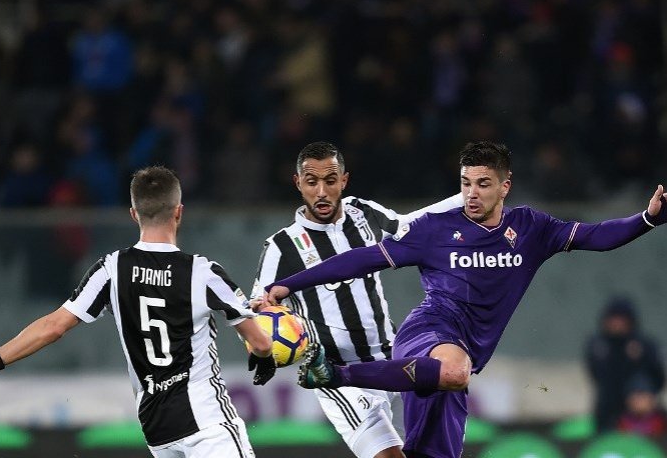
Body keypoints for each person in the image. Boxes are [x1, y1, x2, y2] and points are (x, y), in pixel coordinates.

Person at [260, 141, 667, 458]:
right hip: (428, 333)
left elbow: (598, 236)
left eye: (483, 184)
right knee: (454, 370)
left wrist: (647, 219)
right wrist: (289, 284)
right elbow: (363, 259)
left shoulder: (532, 228)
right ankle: (333, 374)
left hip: (459, 358)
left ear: (505, 186)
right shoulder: (435, 230)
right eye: (465, 183)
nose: (471, 194)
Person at [0, 166, 275, 458]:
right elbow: (260, 343)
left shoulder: (111, 269)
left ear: (134, 213)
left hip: (158, 429)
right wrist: (264, 353)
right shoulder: (204, 273)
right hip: (206, 422)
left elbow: (54, 326)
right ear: (179, 212)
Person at [249, 141, 463, 458]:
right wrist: (262, 340)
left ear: (344, 181)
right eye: (312, 182)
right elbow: (259, 308)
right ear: (298, 183)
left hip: (395, 361)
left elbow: (414, 225)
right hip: (339, 377)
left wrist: (465, 198)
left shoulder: (363, 213)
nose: (321, 191)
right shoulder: (281, 246)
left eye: (330, 181)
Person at [585, 297, 665, 432]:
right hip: (608, 409)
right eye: (613, 319)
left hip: (641, 414)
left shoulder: (644, 345)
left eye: (621, 319)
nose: (617, 324)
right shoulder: (598, 346)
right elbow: (596, 374)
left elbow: (658, 376)